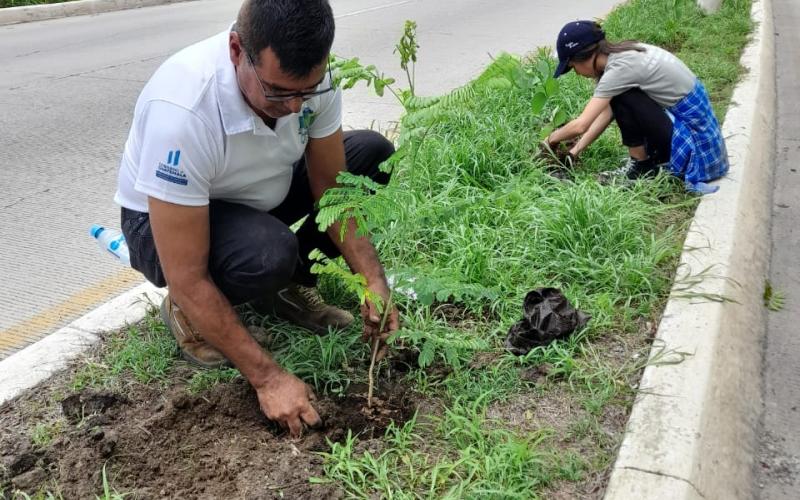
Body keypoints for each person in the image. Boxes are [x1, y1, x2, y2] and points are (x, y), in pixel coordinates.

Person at [114, 0, 400, 436]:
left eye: (307, 90)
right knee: (269, 252)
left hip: (257, 190)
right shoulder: (184, 111)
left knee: (371, 155)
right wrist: (268, 379)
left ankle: (285, 290)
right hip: (164, 224)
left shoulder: (310, 83)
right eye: (279, 92)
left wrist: (374, 281)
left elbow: (334, 192)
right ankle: (189, 312)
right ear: (236, 51)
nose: (295, 106)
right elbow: (187, 274)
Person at [544, 20, 729, 193]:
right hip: (705, 142)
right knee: (621, 97)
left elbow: (581, 125)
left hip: (697, 147)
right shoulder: (625, 53)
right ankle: (646, 161)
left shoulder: (619, 71)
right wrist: (575, 151)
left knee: (623, 96)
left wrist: (551, 140)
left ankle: (641, 166)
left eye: (573, 67)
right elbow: (607, 114)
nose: (577, 73)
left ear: (583, 57)